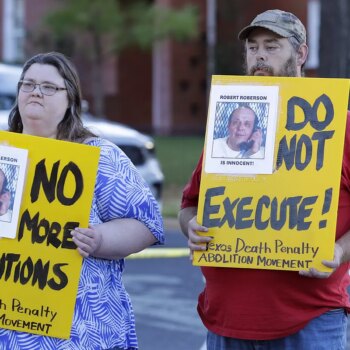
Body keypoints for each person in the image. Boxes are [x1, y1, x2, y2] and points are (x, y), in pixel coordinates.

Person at [178, 9, 350, 350]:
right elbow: (189, 207)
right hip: (226, 320)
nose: (259, 55)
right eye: (252, 47)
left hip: (310, 320)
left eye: (272, 46)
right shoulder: (232, 123)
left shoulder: (338, 126)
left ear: (300, 54)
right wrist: (192, 226)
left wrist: (339, 250)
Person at [0, 52, 164, 350]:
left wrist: (99, 239)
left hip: (82, 331)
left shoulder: (99, 156)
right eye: (28, 84)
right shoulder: (2, 151)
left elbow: (147, 224)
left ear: (70, 100)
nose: (36, 91)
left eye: (49, 87)